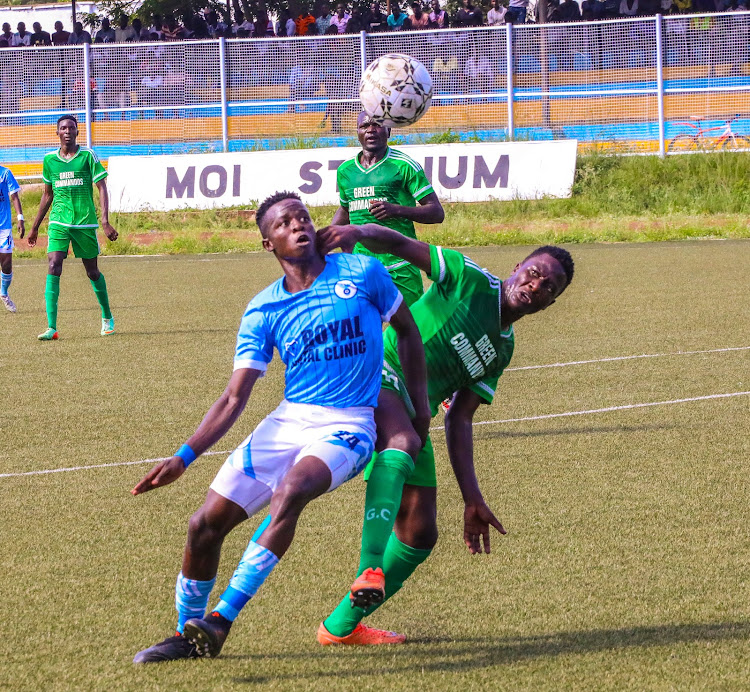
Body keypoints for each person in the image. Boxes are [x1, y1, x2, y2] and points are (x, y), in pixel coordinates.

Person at [130, 191, 429, 663]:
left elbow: (408, 333)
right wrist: (183, 456)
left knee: (291, 489)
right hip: (289, 419)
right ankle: (186, 634)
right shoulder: (263, 309)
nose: (299, 226)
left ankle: (221, 621)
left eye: (304, 217)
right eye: (285, 223)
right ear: (269, 243)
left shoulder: (362, 274)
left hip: (349, 424)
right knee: (203, 527)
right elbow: (234, 397)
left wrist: (421, 407)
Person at [314, 224, 575, 645]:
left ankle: (340, 628)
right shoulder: (468, 278)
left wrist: (473, 498)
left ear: (551, 302)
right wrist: (356, 230)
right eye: (533, 272)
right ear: (517, 267)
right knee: (403, 442)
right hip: (376, 370)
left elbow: (460, 419)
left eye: (549, 286)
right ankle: (370, 566)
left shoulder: (503, 349)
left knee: (419, 534)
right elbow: (400, 243)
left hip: (414, 412)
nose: (536, 285)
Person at [332, 112, 444, 307]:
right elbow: (345, 209)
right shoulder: (345, 170)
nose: (370, 130)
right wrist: (326, 238)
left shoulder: (404, 165)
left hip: (400, 264)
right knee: (360, 328)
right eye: (364, 126)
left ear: (389, 130)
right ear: (357, 133)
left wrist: (396, 210)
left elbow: (436, 212)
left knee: (413, 330)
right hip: (360, 267)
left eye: (377, 124)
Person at [27, 115, 117, 340]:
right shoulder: (49, 160)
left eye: (71, 128)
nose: (67, 131)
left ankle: (107, 316)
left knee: (92, 271)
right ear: (57, 133)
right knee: (54, 263)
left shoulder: (87, 156)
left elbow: (102, 187)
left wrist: (105, 221)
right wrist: (35, 226)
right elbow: (47, 194)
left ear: (77, 132)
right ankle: (51, 327)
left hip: (84, 222)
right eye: (63, 128)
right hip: (58, 221)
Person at [0, 165, 24, 313]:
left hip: (4, 227)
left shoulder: (5, 173)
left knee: (6, 264)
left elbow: (14, 196)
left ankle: (4, 293)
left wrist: (20, 218)